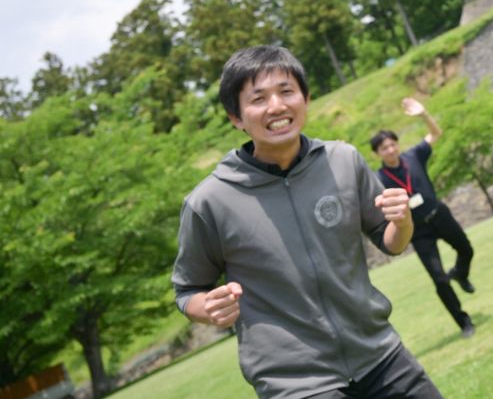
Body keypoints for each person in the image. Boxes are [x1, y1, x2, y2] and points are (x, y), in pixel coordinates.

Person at [171, 46, 443, 399]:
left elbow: (391, 241)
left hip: (380, 355)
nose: (276, 106)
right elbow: (188, 289)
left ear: (305, 98)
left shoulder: (343, 160)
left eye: (286, 92)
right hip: (296, 385)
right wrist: (206, 308)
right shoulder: (209, 201)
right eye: (258, 98)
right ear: (235, 117)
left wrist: (403, 220)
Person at [369, 96, 476, 339]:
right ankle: (464, 322)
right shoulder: (378, 179)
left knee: (467, 250)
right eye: (384, 148)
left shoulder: (414, 156)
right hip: (418, 232)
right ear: (378, 153)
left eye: (392, 144)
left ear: (398, 144)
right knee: (439, 279)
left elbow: (435, 133)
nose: (390, 150)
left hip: (439, 215)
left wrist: (423, 114)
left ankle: (461, 272)